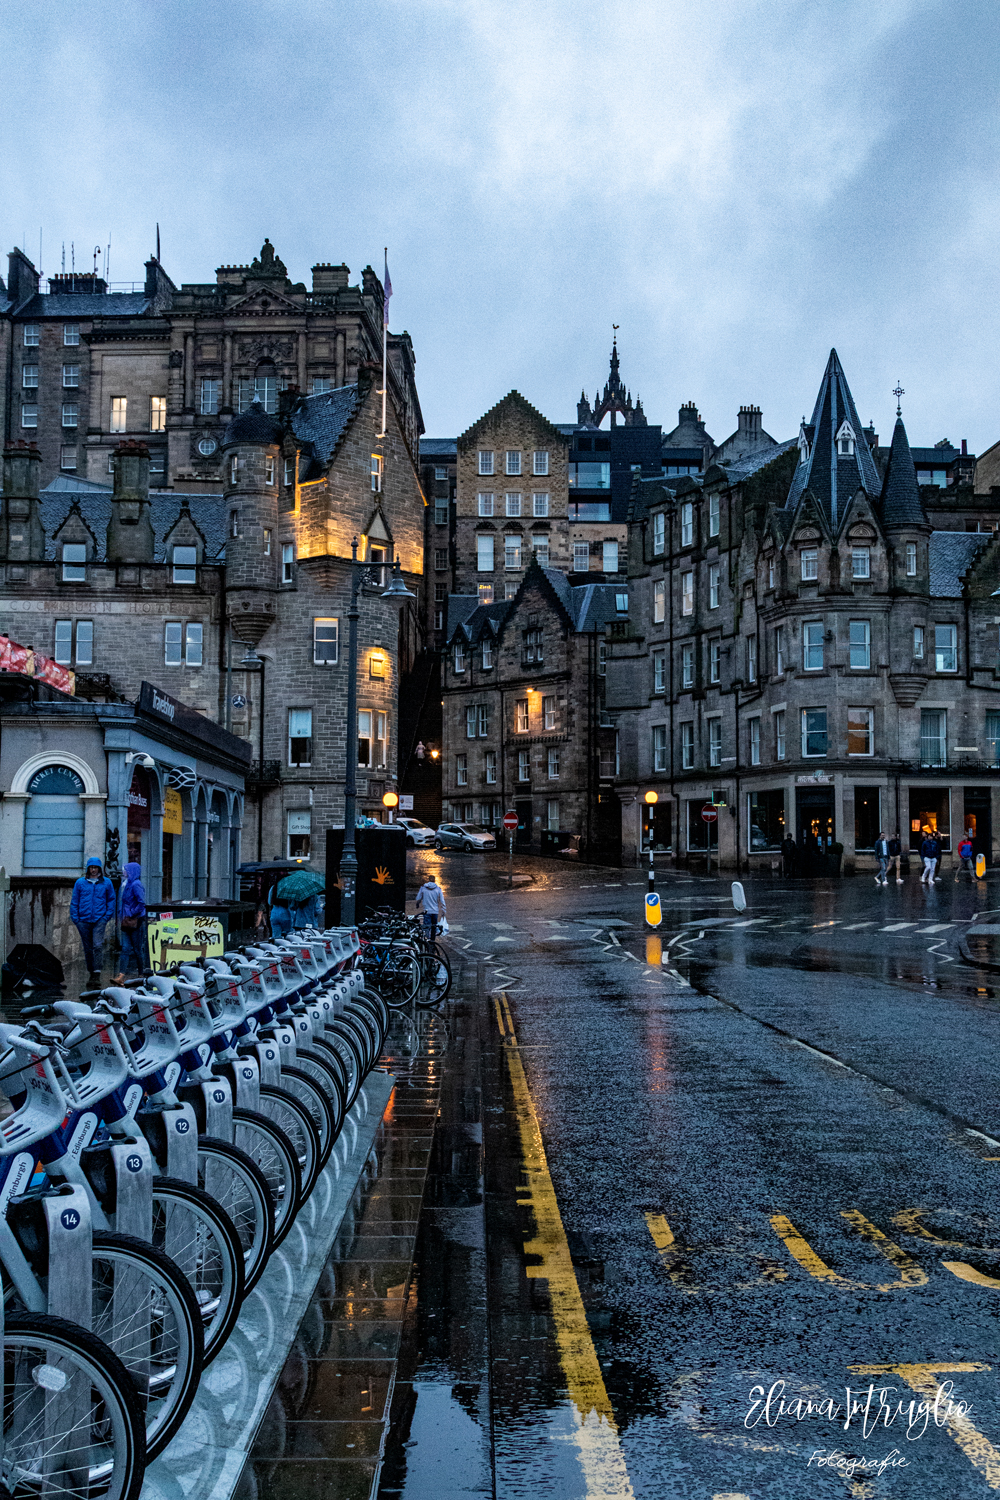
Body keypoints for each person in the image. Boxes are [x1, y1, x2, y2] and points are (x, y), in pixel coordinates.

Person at [69, 856, 116, 982]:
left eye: (96, 867)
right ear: (88, 869)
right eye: (91, 868)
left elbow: (111, 900)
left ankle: (97, 972)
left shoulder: (106, 882)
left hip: (99, 919)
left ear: (99, 868)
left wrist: (106, 916)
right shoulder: (80, 883)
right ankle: (91, 971)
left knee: (97, 945)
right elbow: (75, 901)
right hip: (83, 920)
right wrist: (76, 919)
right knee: (87, 947)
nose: (93, 870)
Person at [115, 861, 147, 982]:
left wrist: (132, 913)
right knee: (125, 948)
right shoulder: (127, 884)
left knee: (137, 949)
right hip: (125, 921)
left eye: (126, 870)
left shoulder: (136, 885)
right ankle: (121, 975)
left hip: (135, 921)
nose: (124, 872)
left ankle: (141, 973)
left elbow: (141, 903)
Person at [415, 872, 446, 941]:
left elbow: (418, 897)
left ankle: (426, 940)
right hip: (435, 911)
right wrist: (443, 910)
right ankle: (432, 940)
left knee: (426, 927)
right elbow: (442, 900)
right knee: (434, 927)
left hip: (426, 911)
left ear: (428, 880)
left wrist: (418, 903)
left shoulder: (423, 888)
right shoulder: (438, 889)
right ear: (434, 880)